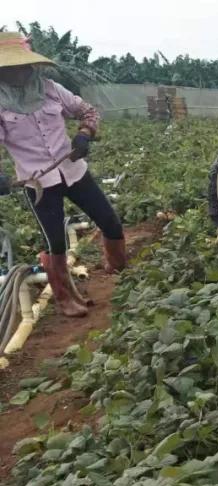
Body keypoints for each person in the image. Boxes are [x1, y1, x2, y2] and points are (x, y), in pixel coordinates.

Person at [0, 33, 126, 318]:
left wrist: (84, 134)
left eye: (22, 66)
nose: (19, 72)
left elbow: (88, 111)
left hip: (73, 171)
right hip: (38, 183)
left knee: (109, 221)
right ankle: (65, 297)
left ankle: (118, 270)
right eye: (10, 68)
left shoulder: (51, 90)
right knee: (55, 242)